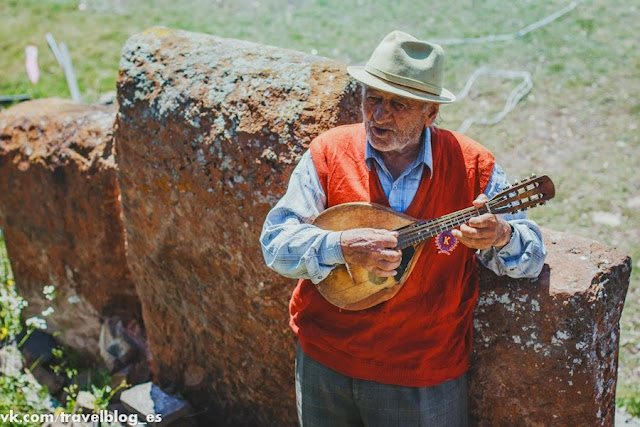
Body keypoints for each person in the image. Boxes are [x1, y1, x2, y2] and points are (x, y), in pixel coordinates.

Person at [260, 30, 546, 426]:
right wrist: (340, 245)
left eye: (399, 105)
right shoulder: (329, 152)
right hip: (324, 359)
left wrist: (502, 236)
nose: (378, 116)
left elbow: (531, 259)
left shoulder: (473, 166)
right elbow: (275, 243)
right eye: (372, 98)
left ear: (431, 112)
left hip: (421, 375)